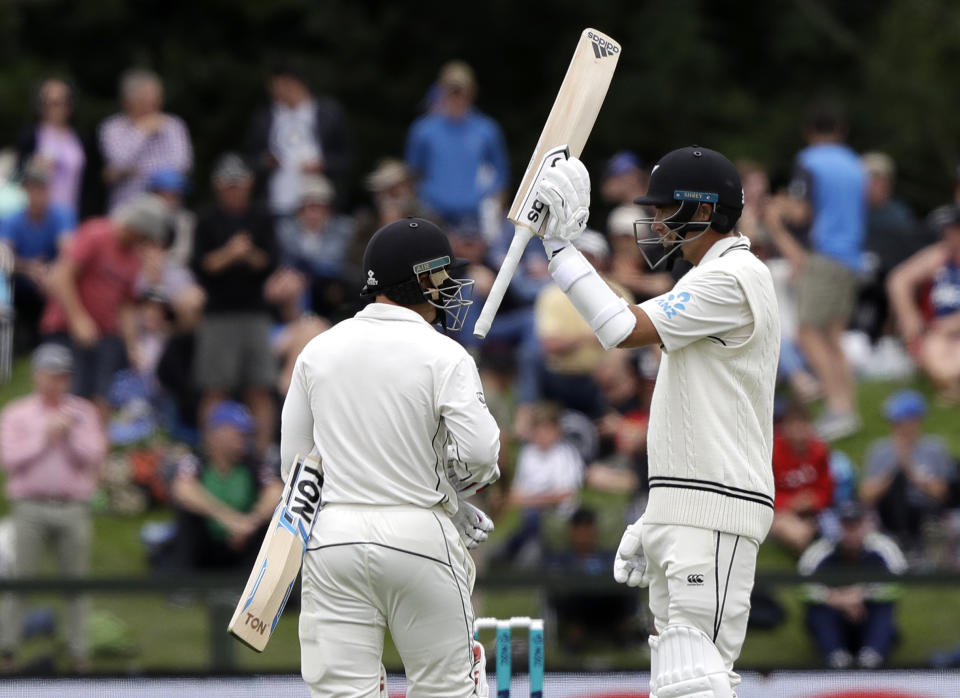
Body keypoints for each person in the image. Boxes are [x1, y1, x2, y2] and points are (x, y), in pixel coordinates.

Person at [532, 146, 780, 697]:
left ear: (703, 210)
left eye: (667, 209)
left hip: (717, 509)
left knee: (699, 684)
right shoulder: (708, 277)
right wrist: (658, 516)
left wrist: (560, 250)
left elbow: (620, 328)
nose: (656, 222)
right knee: (676, 683)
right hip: (688, 509)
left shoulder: (734, 278)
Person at [280, 217, 500, 696]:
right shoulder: (444, 354)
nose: (452, 286)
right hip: (419, 536)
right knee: (449, 688)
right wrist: (452, 499)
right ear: (422, 279)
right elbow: (482, 455)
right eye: (444, 275)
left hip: (331, 539)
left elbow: (295, 468)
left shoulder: (317, 351)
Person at [0, 344, 107, 671]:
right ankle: (7, 650)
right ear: (36, 376)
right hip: (29, 505)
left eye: (62, 376)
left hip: (72, 506)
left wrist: (69, 434)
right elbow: (9, 459)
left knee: (76, 583)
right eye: (50, 375)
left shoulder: (83, 412)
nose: (56, 383)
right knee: (20, 581)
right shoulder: (17, 413)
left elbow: (94, 456)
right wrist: (45, 437)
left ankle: (79, 653)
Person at [764, 102, 867, 440]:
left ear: (809, 132)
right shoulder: (855, 164)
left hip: (823, 255)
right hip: (851, 256)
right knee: (833, 337)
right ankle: (846, 407)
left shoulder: (809, 162)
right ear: (841, 131)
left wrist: (777, 211)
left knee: (809, 333)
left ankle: (838, 409)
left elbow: (802, 214)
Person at [40, 193, 170, 416]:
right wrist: (78, 318)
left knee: (102, 399)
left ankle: (96, 448)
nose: (145, 244)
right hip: (67, 329)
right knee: (72, 397)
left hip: (105, 334)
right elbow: (62, 276)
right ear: (136, 227)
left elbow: (126, 305)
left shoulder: (133, 256)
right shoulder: (96, 233)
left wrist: (132, 346)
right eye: (145, 237)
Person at [191, 153, 278, 457]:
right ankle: (209, 456)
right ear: (218, 187)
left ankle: (262, 457)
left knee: (260, 387)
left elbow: (269, 263)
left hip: (255, 313)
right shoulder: (205, 220)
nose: (234, 190)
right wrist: (231, 253)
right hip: (218, 314)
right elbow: (202, 267)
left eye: (239, 184)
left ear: (249, 185)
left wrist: (244, 254)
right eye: (228, 185)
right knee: (215, 388)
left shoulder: (262, 217)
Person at [170, 401, 282, 571]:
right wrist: (226, 518)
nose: (244, 437)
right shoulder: (196, 462)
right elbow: (182, 489)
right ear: (217, 434)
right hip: (206, 541)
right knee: (186, 516)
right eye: (238, 432)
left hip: (244, 540)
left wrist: (251, 521)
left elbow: (276, 491)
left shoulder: (253, 464)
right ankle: (184, 583)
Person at [799, 501, 906, 669]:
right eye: (846, 525)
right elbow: (804, 587)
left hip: (868, 615)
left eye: (856, 525)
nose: (851, 531)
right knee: (818, 609)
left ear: (866, 525)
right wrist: (838, 599)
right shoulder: (821, 549)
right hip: (834, 615)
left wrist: (861, 595)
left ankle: (871, 658)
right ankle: (835, 658)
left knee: (884, 607)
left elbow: (899, 583)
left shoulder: (883, 547)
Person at [405, 61, 509, 228]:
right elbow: (412, 176)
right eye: (451, 91)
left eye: (460, 91)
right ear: (440, 92)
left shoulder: (487, 130)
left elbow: (500, 178)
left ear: (472, 92)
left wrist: (493, 222)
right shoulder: (423, 130)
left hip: (475, 221)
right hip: (433, 217)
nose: (456, 96)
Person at [246, 59, 350, 217]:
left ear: (296, 83)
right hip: (277, 204)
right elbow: (250, 158)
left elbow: (346, 157)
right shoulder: (265, 118)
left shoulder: (328, 114)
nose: (276, 91)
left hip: (318, 208)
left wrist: (323, 164)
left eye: (281, 85)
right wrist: (266, 161)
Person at [859, 390, 954, 559]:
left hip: (926, 511)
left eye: (902, 421)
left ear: (916, 420)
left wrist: (913, 472)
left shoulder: (934, 448)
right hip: (889, 511)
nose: (897, 426)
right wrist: (894, 470)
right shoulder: (879, 450)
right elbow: (866, 495)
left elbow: (943, 493)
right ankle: (899, 543)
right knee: (897, 482)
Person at [0, 157, 76, 351]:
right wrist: (28, 268)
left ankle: (55, 337)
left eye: (40, 188)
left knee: (60, 281)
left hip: (51, 278)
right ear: (25, 190)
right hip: (22, 281)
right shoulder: (12, 220)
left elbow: (68, 250)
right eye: (31, 188)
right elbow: (4, 254)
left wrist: (48, 271)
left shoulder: (62, 215)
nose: (36, 194)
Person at [887, 205, 960, 404]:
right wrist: (910, 317)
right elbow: (898, 281)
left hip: (950, 330)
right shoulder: (939, 256)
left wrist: (953, 324)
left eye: (953, 231)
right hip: (936, 332)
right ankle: (948, 383)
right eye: (946, 232)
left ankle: (949, 384)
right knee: (934, 348)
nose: (948, 236)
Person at [498, 402, 584, 565]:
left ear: (557, 431)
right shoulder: (528, 454)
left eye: (547, 429)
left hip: (558, 519)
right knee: (531, 523)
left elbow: (564, 496)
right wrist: (537, 500)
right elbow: (515, 494)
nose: (542, 435)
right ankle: (510, 551)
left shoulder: (565, 454)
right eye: (538, 429)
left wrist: (531, 500)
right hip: (531, 517)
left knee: (533, 537)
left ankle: (517, 553)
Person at [98, 69, 192, 210]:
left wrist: (129, 172)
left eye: (157, 98)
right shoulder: (112, 128)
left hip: (166, 209)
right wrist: (141, 132)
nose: (155, 104)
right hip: (127, 208)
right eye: (146, 99)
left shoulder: (173, 125)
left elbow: (182, 164)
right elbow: (119, 160)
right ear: (129, 101)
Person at [770, 401, 834, 556]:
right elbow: (765, 490)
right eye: (793, 425)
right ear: (784, 427)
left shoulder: (820, 450)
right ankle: (809, 569)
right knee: (798, 534)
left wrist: (814, 500)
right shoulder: (772, 451)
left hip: (815, 511)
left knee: (837, 529)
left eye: (802, 424)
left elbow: (827, 487)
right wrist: (790, 503)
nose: (798, 431)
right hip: (780, 513)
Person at [15, 78, 86, 216]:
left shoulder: (81, 137)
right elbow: (18, 175)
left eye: (63, 102)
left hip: (72, 211)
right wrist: (34, 167)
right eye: (52, 103)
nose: (58, 108)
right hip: (38, 214)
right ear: (41, 106)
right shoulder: (30, 137)